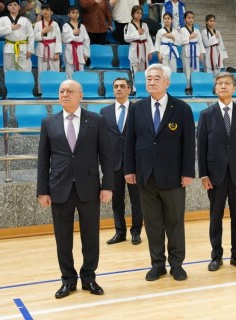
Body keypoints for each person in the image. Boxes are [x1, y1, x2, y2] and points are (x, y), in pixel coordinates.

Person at [37, 79, 114, 299]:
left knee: (90, 236)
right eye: (61, 91)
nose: (64, 94)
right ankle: (68, 280)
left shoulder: (97, 120)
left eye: (70, 91)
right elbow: (43, 160)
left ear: (80, 95)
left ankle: (89, 277)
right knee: (63, 238)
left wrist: (107, 185)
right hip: (58, 188)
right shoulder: (49, 122)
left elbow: (107, 157)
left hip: (89, 187)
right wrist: (43, 190)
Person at [124, 64, 195, 281]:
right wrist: (129, 169)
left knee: (174, 222)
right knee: (153, 222)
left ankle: (177, 264)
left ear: (167, 82)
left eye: (156, 78)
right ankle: (157, 264)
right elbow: (129, 141)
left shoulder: (181, 108)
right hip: (145, 176)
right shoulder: (136, 108)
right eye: (148, 79)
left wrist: (187, 172)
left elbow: (188, 144)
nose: (151, 82)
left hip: (173, 176)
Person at [197, 72, 236, 272]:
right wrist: (203, 174)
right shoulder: (206, 114)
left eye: (227, 83)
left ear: (234, 87)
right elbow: (201, 146)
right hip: (215, 175)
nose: (223, 86)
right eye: (219, 83)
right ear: (215, 88)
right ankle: (216, 256)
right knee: (216, 217)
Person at [100, 78, 143, 246]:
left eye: (122, 86)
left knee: (137, 201)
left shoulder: (138, 109)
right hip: (113, 164)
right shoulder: (105, 111)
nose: (118, 89)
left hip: (134, 164)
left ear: (129, 89)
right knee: (117, 201)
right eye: (115, 86)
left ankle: (136, 231)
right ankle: (120, 231)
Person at [0, 0, 34, 72]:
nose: (13, 6)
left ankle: (24, 83)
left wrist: (30, 49)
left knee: (25, 68)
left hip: (23, 48)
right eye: (10, 5)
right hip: (9, 47)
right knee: (9, 69)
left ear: (19, 7)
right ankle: (9, 83)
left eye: (15, 5)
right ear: (7, 7)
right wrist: (11, 28)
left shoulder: (25, 20)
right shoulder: (3, 19)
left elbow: (31, 35)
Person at [124, 5, 156, 90]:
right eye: (137, 13)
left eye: (140, 13)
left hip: (144, 47)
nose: (139, 15)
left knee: (145, 69)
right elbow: (126, 38)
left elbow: (148, 38)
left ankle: (145, 87)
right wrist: (137, 33)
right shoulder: (128, 25)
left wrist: (150, 51)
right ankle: (135, 89)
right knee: (135, 69)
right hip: (135, 48)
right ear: (133, 14)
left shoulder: (145, 25)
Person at [34, 4, 62, 95]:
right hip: (42, 48)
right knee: (41, 71)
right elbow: (34, 37)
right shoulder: (38, 24)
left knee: (55, 70)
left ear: (51, 12)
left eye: (47, 9)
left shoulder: (55, 24)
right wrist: (43, 32)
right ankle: (41, 91)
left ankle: (56, 90)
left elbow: (58, 39)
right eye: (43, 10)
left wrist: (57, 52)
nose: (45, 11)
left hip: (53, 48)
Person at [179, 11, 204, 95]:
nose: (191, 20)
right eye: (189, 18)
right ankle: (187, 87)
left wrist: (201, 53)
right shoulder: (182, 30)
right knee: (187, 70)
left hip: (196, 51)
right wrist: (189, 37)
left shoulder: (196, 30)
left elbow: (200, 42)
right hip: (187, 50)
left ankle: (195, 86)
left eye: (192, 18)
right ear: (185, 19)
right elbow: (180, 41)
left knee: (196, 69)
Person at [62, 6, 90, 79]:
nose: (75, 14)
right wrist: (73, 34)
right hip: (70, 49)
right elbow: (64, 39)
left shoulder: (82, 26)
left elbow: (86, 40)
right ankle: (69, 88)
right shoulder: (66, 26)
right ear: (69, 14)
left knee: (81, 69)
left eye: (77, 13)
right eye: (73, 12)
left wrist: (86, 53)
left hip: (80, 50)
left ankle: (79, 88)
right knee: (69, 70)